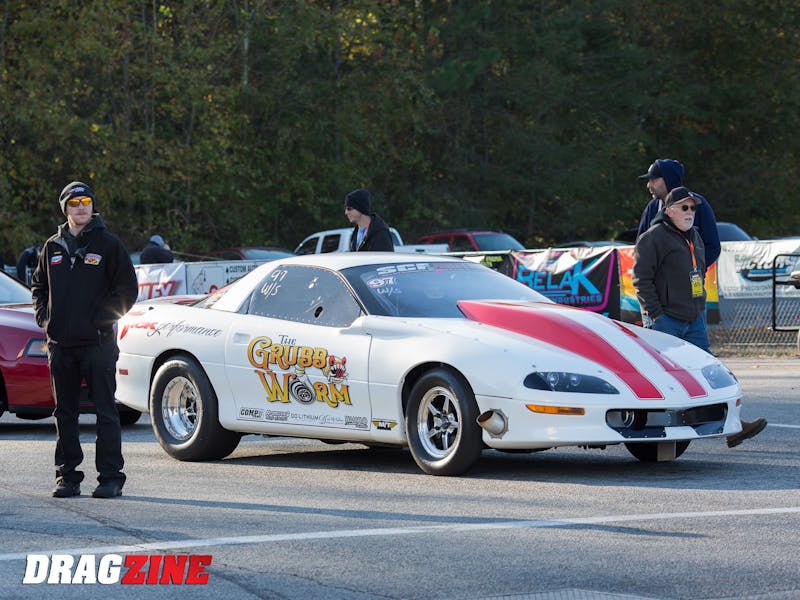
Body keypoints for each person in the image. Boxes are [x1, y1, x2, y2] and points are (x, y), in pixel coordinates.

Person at [633, 186, 766, 448]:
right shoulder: (653, 237)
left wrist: (699, 305)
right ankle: (655, 438)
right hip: (665, 320)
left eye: (693, 208)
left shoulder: (694, 235)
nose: (690, 212)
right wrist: (656, 314)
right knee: (665, 380)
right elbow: (641, 280)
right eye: (684, 207)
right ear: (669, 210)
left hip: (694, 319)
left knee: (710, 374)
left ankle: (733, 427)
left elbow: (700, 271)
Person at [30, 181, 139, 498]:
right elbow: (38, 287)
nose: (81, 208)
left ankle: (110, 478)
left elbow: (127, 290)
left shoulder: (108, 244)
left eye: (86, 202)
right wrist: (46, 319)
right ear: (65, 209)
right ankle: (67, 477)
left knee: (106, 412)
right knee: (65, 413)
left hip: (97, 344)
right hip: (60, 346)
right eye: (74, 203)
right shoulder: (52, 246)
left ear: (92, 206)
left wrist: (101, 322)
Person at [637, 159, 721, 269]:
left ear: (668, 179)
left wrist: (694, 268)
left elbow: (713, 246)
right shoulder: (652, 207)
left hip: (689, 277)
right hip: (659, 279)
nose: (648, 185)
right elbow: (641, 245)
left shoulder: (697, 204)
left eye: (653, 179)